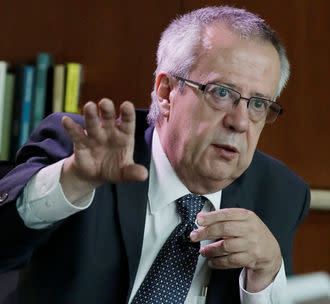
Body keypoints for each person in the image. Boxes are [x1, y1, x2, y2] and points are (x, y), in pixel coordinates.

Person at [0, 6, 310, 304]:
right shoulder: (85, 150)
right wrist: (72, 180)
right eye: (222, 92)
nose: (240, 121)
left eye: (258, 104)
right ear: (165, 93)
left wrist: (267, 276)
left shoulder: (280, 193)